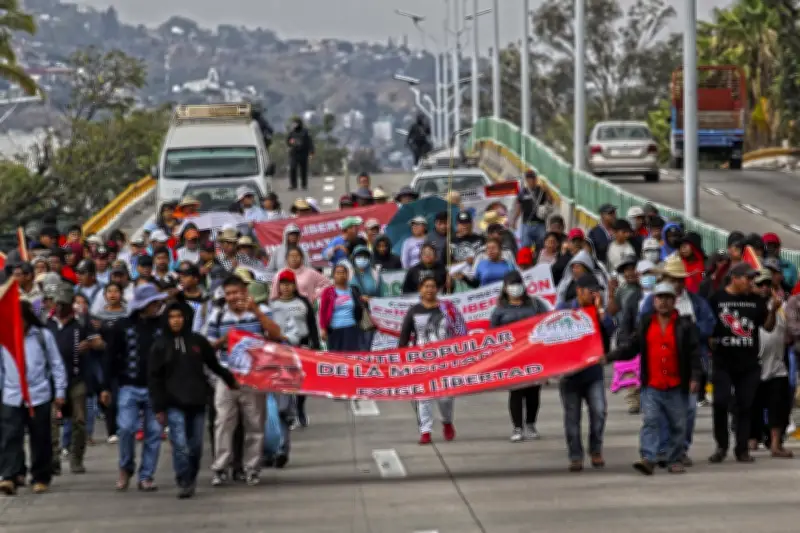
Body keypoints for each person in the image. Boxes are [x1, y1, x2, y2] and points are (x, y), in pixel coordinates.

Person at [606, 282, 703, 475]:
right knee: (650, 420)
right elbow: (631, 347)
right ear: (654, 301)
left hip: (676, 385)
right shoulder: (646, 323)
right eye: (660, 298)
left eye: (668, 298)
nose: (663, 302)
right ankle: (648, 458)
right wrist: (609, 357)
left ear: (674, 301)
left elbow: (694, 354)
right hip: (652, 384)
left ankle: (674, 459)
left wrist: (695, 377)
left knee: (678, 424)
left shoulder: (684, 325)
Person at [148, 302, 239, 499]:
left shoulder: (198, 342)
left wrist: (230, 379)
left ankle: (191, 476)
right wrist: (158, 406)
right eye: (172, 317)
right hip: (173, 402)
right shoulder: (160, 345)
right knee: (180, 443)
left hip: (197, 401)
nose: (176, 320)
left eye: (179, 316)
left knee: (196, 445)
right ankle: (183, 480)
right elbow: (154, 378)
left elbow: (213, 365)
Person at [206, 275, 281, 487]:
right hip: (227, 377)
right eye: (228, 293)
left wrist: (256, 311)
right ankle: (220, 467)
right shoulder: (218, 315)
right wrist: (224, 339)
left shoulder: (261, 312)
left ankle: (252, 469)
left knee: (255, 424)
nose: (232, 297)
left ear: (245, 292)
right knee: (223, 422)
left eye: (236, 292)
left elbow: (276, 335)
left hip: (254, 377)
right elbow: (208, 346)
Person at [707, 262, 779, 464]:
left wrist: (773, 310)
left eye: (752, 279)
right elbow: (706, 324)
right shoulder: (717, 299)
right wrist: (709, 341)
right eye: (747, 279)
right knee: (720, 402)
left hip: (748, 363)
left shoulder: (756, 301)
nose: (751, 283)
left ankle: (742, 449)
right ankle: (721, 445)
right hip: (723, 361)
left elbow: (768, 327)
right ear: (734, 278)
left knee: (745, 406)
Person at [103, 283, 167, 492]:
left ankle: (146, 475)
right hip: (128, 386)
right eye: (154, 302)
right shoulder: (123, 325)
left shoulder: (162, 326)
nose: (158, 305)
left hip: (155, 388)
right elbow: (110, 357)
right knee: (126, 428)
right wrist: (105, 386)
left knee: (154, 432)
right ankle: (125, 467)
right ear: (144, 305)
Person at [0, 302, 67, 495]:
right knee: (10, 437)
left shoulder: (42, 337)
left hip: (38, 395)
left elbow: (56, 365)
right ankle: (9, 475)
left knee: (40, 437)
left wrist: (60, 392)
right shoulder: (4, 338)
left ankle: (40, 476)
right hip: (12, 395)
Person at [398, 275, 467, 444]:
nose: (429, 289)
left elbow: (461, 332)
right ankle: (425, 431)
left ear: (438, 289)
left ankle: (447, 421)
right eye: (426, 286)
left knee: (445, 397)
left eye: (432, 286)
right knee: (423, 396)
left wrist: (461, 353)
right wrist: (401, 358)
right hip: (421, 361)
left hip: (445, 359)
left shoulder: (448, 309)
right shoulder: (414, 311)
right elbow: (405, 336)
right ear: (420, 290)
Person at [556, 275, 615, 471]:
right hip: (570, 373)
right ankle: (575, 455)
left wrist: (599, 311)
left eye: (596, 292)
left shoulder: (597, 312)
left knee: (599, 411)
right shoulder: (564, 309)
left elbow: (610, 329)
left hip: (593, 372)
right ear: (579, 290)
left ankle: (596, 449)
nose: (594, 295)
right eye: (591, 291)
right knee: (572, 417)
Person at [46, 286, 103, 475]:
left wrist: (90, 344)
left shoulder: (81, 321)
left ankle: (76, 458)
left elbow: (100, 343)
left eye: (64, 303)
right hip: (52, 380)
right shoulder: (47, 322)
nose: (60, 307)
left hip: (77, 377)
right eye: (58, 303)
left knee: (79, 419)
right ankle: (53, 459)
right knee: (52, 421)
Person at [490, 271, 550, 441]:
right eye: (511, 284)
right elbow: (493, 334)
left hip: (533, 354)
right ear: (505, 288)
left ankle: (530, 424)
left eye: (517, 283)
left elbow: (546, 323)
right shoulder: (500, 309)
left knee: (533, 391)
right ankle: (517, 427)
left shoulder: (535, 304)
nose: (515, 287)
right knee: (516, 392)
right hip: (512, 357)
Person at [748, 269, 793, 457]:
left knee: (778, 406)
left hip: (776, 365)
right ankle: (751, 441)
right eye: (760, 284)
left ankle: (775, 444)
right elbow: (767, 325)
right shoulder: (748, 306)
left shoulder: (781, 306)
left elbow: (787, 332)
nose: (764, 288)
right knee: (752, 406)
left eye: (768, 284)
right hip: (754, 365)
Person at [269, 269, 320, 428]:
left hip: (301, 346)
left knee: (301, 383)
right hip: (280, 348)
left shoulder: (303, 303)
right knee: (285, 382)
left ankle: (300, 409)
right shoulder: (272, 304)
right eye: (283, 284)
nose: (286, 287)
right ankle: (286, 413)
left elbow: (312, 325)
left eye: (289, 284)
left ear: (294, 285)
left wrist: (315, 346)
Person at [319, 264, 365, 352]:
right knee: (336, 358)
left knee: (352, 357)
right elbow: (322, 311)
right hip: (334, 330)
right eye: (338, 273)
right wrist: (323, 329)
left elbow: (359, 305)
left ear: (347, 275)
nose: (341, 275)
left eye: (343, 272)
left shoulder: (354, 290)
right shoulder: (328, 291)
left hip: (352, 329)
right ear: (333, 275)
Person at [511, 170, 552, 249]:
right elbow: (519, 208)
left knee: (542, 246)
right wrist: (514, 220)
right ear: (526, 180)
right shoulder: (522, 192)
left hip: (540, 224)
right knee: (525, 247)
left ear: (535, 179)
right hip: (526, 224)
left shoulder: (541, 190)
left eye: (532, 178)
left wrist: (547, 190)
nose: (530, 180)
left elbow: (550, 201)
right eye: (528, 178)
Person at [286, 117, 314, 191]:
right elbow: (288, 141)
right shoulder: (291, 132)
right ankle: (293, 185)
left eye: (296, 123)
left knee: (303, 170)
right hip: (294, 153)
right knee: (292, 168)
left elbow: (310, 142)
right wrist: (290, 143)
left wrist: (311, 152)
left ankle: (304, 184)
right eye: (293, 124)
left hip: (303, 153)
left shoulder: (305, 132)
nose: (294, 125)